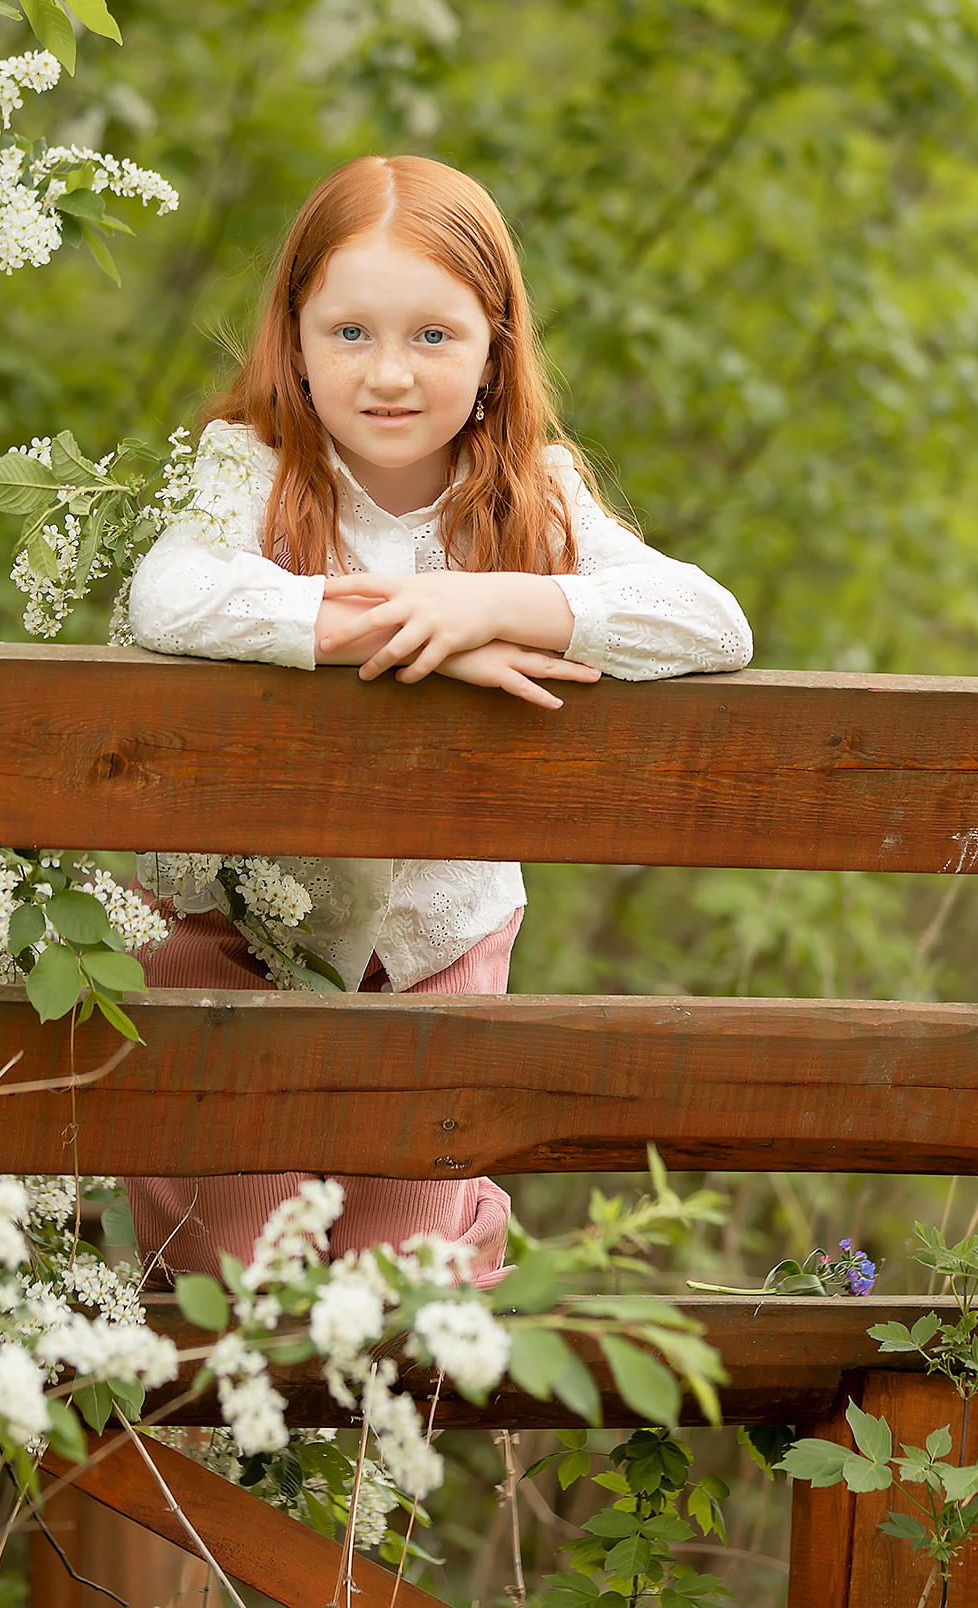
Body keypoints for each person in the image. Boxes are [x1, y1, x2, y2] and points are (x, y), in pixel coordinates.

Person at [126, 154, 752, 1287]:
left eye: (432, 336)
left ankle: (380, 1451)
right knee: (229, 1271)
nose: (388, 374)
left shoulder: (530, 492)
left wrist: (490, 601)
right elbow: (167, 597)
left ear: (493, 349)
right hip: (242, 931)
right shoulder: (253, 472)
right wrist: (399, 632)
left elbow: (709, 623)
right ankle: (216, 1457)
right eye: (349, 333)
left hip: (434, 937)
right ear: (294, 340)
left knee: (405, 1274)